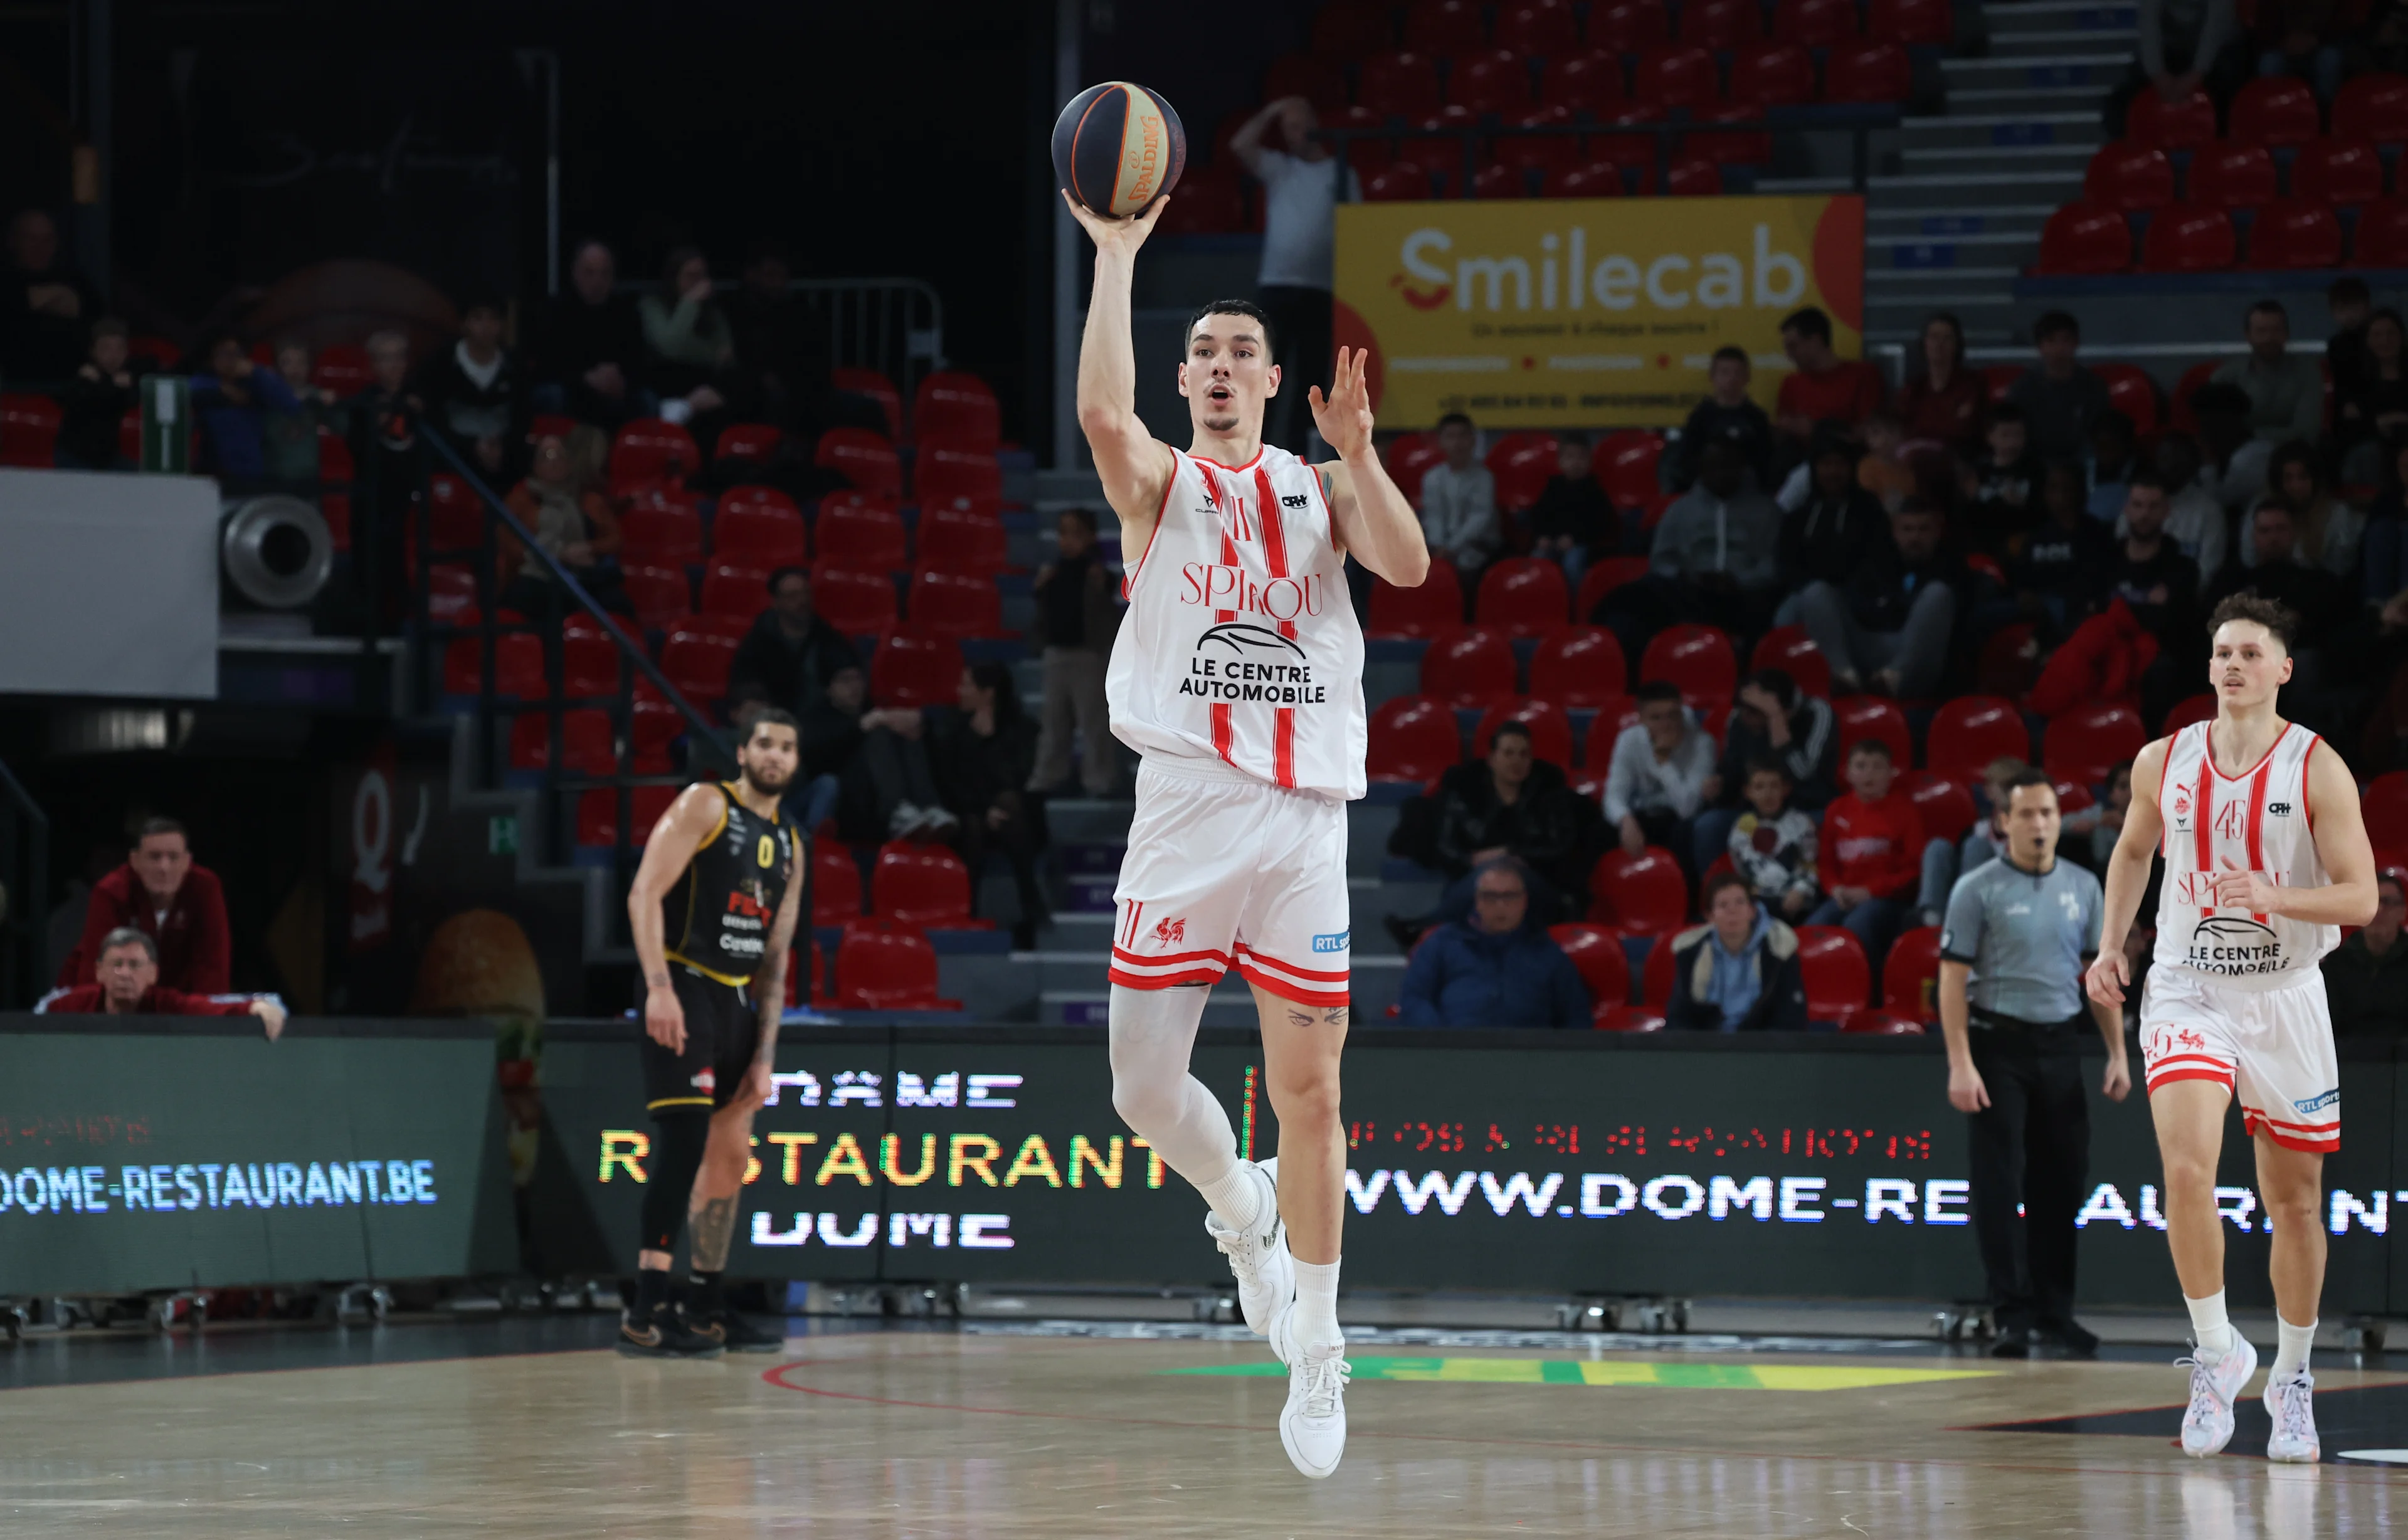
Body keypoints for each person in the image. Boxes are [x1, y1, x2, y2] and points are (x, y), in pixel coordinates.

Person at [1069, 184, 1430, 1479]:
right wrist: (1115, 255)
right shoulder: (1160, 485)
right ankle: (1239, 1207)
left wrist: (1366, 451)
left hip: (1298, 823)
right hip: (1182, 808)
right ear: (1187, 379)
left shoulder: (1323, 489)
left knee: (1313, 1090)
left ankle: (1323, 1344)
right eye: (1204, 355)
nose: (1222, 370)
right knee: (1141, 1093)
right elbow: (1101, 416)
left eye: (1242, 354)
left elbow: (1409, 568)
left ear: (1275, 380)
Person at [2086, 594, 2377, 1462]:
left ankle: (2291, 1376)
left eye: (2252, 653)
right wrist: (2111, 945)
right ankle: (2215, 1352)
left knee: (2293, 1201)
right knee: (2185, 1168)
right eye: (2222, 654)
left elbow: (2361, 897)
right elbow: (2135, 851)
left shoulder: (2318, 768)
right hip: (2186, 986)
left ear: (2284, 669)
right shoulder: (2161, 761)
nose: (2234, 666)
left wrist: (2276, 896)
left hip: (2286, 991)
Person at [622, 711, 806, 1359]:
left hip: (736, 1002)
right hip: (685, 980)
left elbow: (778, 960)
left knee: (730, 1156)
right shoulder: (706, 802)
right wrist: (658, 986)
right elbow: (644, 892)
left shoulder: (790, 841)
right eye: (765, 743)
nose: (775, 755)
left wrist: (765, 1055)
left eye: (787, 747)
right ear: (742, 750)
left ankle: (703, 1307)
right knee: (682, 1140)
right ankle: (644, 1311)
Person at [1939, 768, 2130, 1358]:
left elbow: (2100, 977)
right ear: (2004, 822)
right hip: (1998, 1045)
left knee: (2063, 1184)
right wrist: (1960, 1063)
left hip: (2060, 1045)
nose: (2039, 823)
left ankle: (2055, 1312)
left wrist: (2119, 1052)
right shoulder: (1977, 887)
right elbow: (1951, 980)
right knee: (1999, 1187)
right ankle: (2011, 1314)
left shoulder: (2085, 886)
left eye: (2048, 812)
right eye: (2026, 814)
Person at [1228, 96, 1359, 456]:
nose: (1294, 136)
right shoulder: (1280, 168)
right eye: (1287, 129)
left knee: (1311, 379)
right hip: (1277, 285)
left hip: (1321, 288)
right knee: (1264, 371)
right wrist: (1271, 111)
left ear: (1316, 126)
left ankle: (1302, 455)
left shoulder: (1340, 172)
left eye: (1300, 126)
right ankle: (1255, 451)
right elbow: (1240, 144)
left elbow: (1358, 229)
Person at [1386, 719, 1596, 938]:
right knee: (1491, 875)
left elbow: (1561, 847)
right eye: (1509, 753)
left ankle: (1427, 926)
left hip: (1536, 883)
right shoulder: (1466, 792)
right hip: (1475, 879)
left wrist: (1512, 854)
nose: (1517, 761)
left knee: (1499, 871)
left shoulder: (1550, 795)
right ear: (1492, 759)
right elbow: (1446, 845)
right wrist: (1473, 860)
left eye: (1524, 754)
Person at [929, 663, 1050, 947]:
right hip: (968, 811)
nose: (959, 691)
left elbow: (1021, 781)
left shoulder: (1023, 729)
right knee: (973, 826)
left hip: (1014, 815)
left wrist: (989, 739)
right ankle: (1018, 906)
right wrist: (985, 810)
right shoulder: (952, 729)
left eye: (967, 685)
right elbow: (949, 784)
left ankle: (1027, 909)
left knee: (1011, 805)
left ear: (988, 693)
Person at [1395, 858, 1590, 1028]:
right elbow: (1414, 998)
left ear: (1524, 901)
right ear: (1477, 901)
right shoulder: (1443, 943)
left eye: (1510, 897)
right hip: (1455, 1054)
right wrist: (1440, 1042)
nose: (1501, 906)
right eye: (1491, 897)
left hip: (1528, 1059)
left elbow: (1576, 1018)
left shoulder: (1549, 952)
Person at [1796, 499, 1960, 699]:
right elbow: (1860, 604)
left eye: (1923, 530)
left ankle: (1893, 678)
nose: (1915, 537)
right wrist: (1893, 607)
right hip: (1872, 648)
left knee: (1938, 593)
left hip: (1916, 662)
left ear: (1936, 533)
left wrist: (1889, 605)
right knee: (1815, 592)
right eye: (1907, 530)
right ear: (1895, 533)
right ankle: (1844, 675)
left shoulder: (1952, 565)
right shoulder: (1877, 559)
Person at [58, 818, 231, 994]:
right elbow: (97, 970)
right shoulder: (111, 892)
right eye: (154, 857)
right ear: (135, 861)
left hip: (180, 1002)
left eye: (173, 857)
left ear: (188, 861)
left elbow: (213, 969)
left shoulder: (205, 887)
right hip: (114, 998)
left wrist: (205, 1018)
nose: (164, 867)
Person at [1640, 435, 1782, 632]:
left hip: (1747, 596)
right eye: (1714, 467)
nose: (1721, 474)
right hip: (1692, 593)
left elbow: (1773, 565)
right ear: (1702, 470)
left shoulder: (1767, 511)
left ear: (1741, 468)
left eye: (1728, 466)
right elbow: (1661, 559)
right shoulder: (1679, 510)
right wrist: (1685, 576)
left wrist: (1739, 581)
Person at [1808, 739, 1927, 973]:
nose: (1868, 774)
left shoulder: (1905, 811)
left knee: (1858, 925)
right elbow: (1826, 863)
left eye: (1877, 767)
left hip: (1888, 900)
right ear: (1848, 773)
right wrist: (1835, 889)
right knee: (1814, 928)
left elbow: (1914, 870)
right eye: (1861, 766)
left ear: (1891, 774)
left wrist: (1871, 892)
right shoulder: (1837, 810)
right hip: (1843, 895)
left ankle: (1868, 992)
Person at [1028, 508, 1122, 797]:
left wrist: (1099, 583)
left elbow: (1106, 612)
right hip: (1057, 655)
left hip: (1088, 656)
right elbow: (1044, 614)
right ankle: (1049, 776)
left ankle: (1099, 779)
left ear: (1091, 538)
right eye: (1063, 534)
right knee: (1055, 721)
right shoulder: (1051, 573)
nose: (1068, 541)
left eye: (1076, 534)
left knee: (1093, 721)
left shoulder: (1098, 573)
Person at [40, 928, 285, 1038]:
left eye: (135, 965)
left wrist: (256, 1007)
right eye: (116, 964)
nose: (125, 973)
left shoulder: (169, 1004)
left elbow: (210, 1008)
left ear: (153, 974)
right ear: (99, 972)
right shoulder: (66, 1005)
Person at [497, 428, 630, 619]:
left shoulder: (587, 499)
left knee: (617, 603)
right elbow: (504, 538)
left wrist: (588, 548)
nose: (553, 463)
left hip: (581, 573)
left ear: (569, 463)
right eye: (546, 457)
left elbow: (616, 539)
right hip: (534, 573)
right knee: (532, 598)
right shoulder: (521, 499)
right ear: (535, 464)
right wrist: (551, 556)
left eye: (558, 457)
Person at [1663, 870, 1810, 1032]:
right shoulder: (1691, 952)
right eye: (1723, 905)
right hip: (1706, 1048)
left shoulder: (1780, 949)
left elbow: (1791, 1019)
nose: (1732, 911)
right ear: (1710, 916)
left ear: (1752, 911)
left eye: (1740, 902)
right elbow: (1678, 1017)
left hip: (1762, 1049)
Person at [532, 238, 650, 428]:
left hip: (614, 389)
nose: (597, 281)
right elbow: (545, 365)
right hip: (571, 388)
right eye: (590, 273)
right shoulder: (555, 310)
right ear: (575, 273)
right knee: (553, 396)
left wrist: (621, 379)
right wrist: (585, 378)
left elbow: (639, 361)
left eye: (605, 274)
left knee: (646, 400)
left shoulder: (626, 312)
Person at [415, 293, 525, 481]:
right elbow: (432, 420)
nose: (486, 326)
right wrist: (472, 446)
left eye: (493, 319)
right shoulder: (441, 364)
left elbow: (522, 417)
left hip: (502, 462)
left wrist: (501, 446)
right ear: (464, 323)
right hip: (452, 461)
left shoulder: (514, 366)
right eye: (478, 318)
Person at [1603, 682, 1718, 863]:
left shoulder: (1703, 743)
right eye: (1656, 718)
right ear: (1641, 718)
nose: (1667, 725)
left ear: (1682, 710)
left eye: (1673, 715)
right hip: (1641, 813)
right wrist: (1625, 820)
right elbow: (1613, 795)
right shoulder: (1629, 739)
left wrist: (1664, 761)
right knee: (1600, 829)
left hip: (1678, 820)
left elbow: (1688, 809)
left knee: (1683, 831)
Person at [728, 567, 858, 722]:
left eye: (805, 593)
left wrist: (847, 685)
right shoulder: (757, 642)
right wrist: (752, 703)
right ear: (776, 602)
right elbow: (745, 683)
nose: (802, 601)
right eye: (792, 596)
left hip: (822, 723)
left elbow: (847, 668)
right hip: (775, 721)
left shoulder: (827, 636)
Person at [1777, 431, 1894, 593]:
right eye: (1826, 464)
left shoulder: (1870, 509)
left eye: (1840, 464)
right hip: (1805, 592)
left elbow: (1879, 558)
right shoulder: (1800, 512)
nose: (1833, 472)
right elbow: (1785, 562)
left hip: (1856, 595)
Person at [1717, 667, 1839, 811]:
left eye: (1755, 711)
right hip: (1753, 807)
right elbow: (1733, 767)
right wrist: (1719, 786)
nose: (1744, 717)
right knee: (1710, 824)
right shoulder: (1739, 717)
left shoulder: (1817, 712)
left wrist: (1776, 721)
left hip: (1807, 805)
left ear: (1785, 712)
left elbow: (1806, 775)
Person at [2236, 441, 2361, 578]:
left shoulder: (2337, 515)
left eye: (2303, 477)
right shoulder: (2262, 510)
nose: (2296, 486)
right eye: (2288, 478)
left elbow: (2341, 569)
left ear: (2315, 480)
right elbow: (2249, 559)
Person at [1, 208, 98, 381]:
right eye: (31, 239)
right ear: (12, 241)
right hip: (15, 391)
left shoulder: (75, 280)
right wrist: (55, 295)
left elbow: (94, 316)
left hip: (71, 389)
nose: (40, 247)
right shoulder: (6, 279)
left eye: (48, 239)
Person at [2211, 300, 2325, 448]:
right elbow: (2218, 433)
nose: (2269, 338)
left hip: (2294, 457)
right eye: (2261, 331)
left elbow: (2307, 432)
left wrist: (2250, 436)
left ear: (2287, 334)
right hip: (2238, 458)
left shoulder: (2308, 373)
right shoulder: (2225, 378)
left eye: (2276, 330)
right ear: (2248, 336)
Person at [191, 334, 300, 482]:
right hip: (213, 473)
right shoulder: (202, 383)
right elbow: (189, 394)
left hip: (255, 472)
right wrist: (222, 392)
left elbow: (291, 405)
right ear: (212, 358)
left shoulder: (255, 382)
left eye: (237, 354)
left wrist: (256, 373)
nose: (231, 360)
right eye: (224, 354)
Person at [1773, 306, 1883, 452]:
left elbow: (1871, 432)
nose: (1789, 355)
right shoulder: (1791, 384)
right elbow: (1782, 431)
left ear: (1816, 341)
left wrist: (1817, 430)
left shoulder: (1863, 375)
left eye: (1793, 346)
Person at [2005, 312, 2112, 463]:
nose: (2059, 348)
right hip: (2035, 462)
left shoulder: (2095, 387)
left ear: (2076, 343)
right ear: (2040, 346)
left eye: (2066, 340)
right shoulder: (2021, 389)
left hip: (2081, 462)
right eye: (2051, 341)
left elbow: (2098, 435)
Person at [1666, 345, 1775, 492]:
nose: (1732, 379)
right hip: (1705, 489)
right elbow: (1688, 460)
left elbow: (1766, 463)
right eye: (1725, 372)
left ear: (1747, 377)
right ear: (1712, 376)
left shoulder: (1757, 418)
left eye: (1738, 373)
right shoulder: (1700, 417)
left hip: (1748, 491)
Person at [1724, 759, 1820, 922]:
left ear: (1785, 789)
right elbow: (1740, 866)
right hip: (1757, 899)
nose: (1767, 794)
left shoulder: (1801, 823)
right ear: (1748, 792)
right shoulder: (1743, 826)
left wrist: (1800, 890)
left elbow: (1810, 864)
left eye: (1774, 786)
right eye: (1759, 787)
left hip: (1794, 899)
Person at [2137, 431, 2228, 594]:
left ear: (2193, 465)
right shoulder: (2137, 502)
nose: (2170, 466)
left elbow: (2208, 570)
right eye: (2165, 458)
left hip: (2187, 602)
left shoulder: (2209, 510)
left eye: (2178, 459)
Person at [2321, 870, 2408, 1036]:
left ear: (2403, 911)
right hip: (2348, 1058)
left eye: (2388, 902)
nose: (2380, 910)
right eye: (2374, 902)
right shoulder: (2335, 964)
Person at [1415, 411, 1497, 581]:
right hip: (1439, 551)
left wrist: (1452, 548)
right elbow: (1433, 516)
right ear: (1440, 441)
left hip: (1479, 549)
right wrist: (1438, 548)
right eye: (1450, 437)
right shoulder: (1432, 477)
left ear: (1473, 440)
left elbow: (1480, 518)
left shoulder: (1484, 477)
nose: (1457, 443)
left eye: (1462, 436)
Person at [1895, 312, 1985, 459]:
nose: (1939, 344)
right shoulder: (1913, 388)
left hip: (1959, 462)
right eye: (1934, 337)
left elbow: (1967, 431)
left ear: (1957, 345)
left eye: (1947, 338)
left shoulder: (1972, 384)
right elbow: (1902, 432)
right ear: (1924, 343)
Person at [1526, 431, 1615, 578]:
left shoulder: (1594, 489)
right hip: (1552, 542)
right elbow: (1540, 515)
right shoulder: (1553, 486)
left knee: (1572, 564)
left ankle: (1575, 600)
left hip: (1580, 544)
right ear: (1560, 461)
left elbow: (1600, 523)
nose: (1576, 462)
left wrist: (1575, 539)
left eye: (1581, 457)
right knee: (1538, 558)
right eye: (1570, 457)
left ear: (1590, 461)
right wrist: (1543, 537)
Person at [56, 317, 140, 469]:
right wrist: (105, 385)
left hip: (108, 460)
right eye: (106, 348)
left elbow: (132, 400)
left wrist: (119, 387)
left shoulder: (127, 381)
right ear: (93, 351)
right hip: (74, 458)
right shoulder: (82, 380)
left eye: (119, 349)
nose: (114, 356)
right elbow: (76, 399)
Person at [2337, 308, 2408, 487]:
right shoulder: (2356, 383)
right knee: (2369, 453)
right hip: (2373, 455)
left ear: (2402, 337)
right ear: (2368, 340)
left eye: (2391, 334)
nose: (2385, 341)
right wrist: (2382, 423)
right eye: (2377, 335)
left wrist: (2388, 420)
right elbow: (2349, 428)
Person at [1961, 403, 2041, 556]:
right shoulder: (1978, 472)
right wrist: (1970, 499)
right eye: (2005, 435)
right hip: (1985, 541)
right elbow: (1969, 516)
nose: (2012, 442)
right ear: (1990, 437)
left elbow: (2039, 513)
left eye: (2018, 435)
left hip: (2022, 542)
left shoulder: (2034, 470)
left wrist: (2019, 507)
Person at [2084, 410, 2138, 524]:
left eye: (2111, 446)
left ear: (2126, 444)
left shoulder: (2139, 471)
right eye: (2100, 446)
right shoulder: (2085, 471)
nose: (2105, 453)